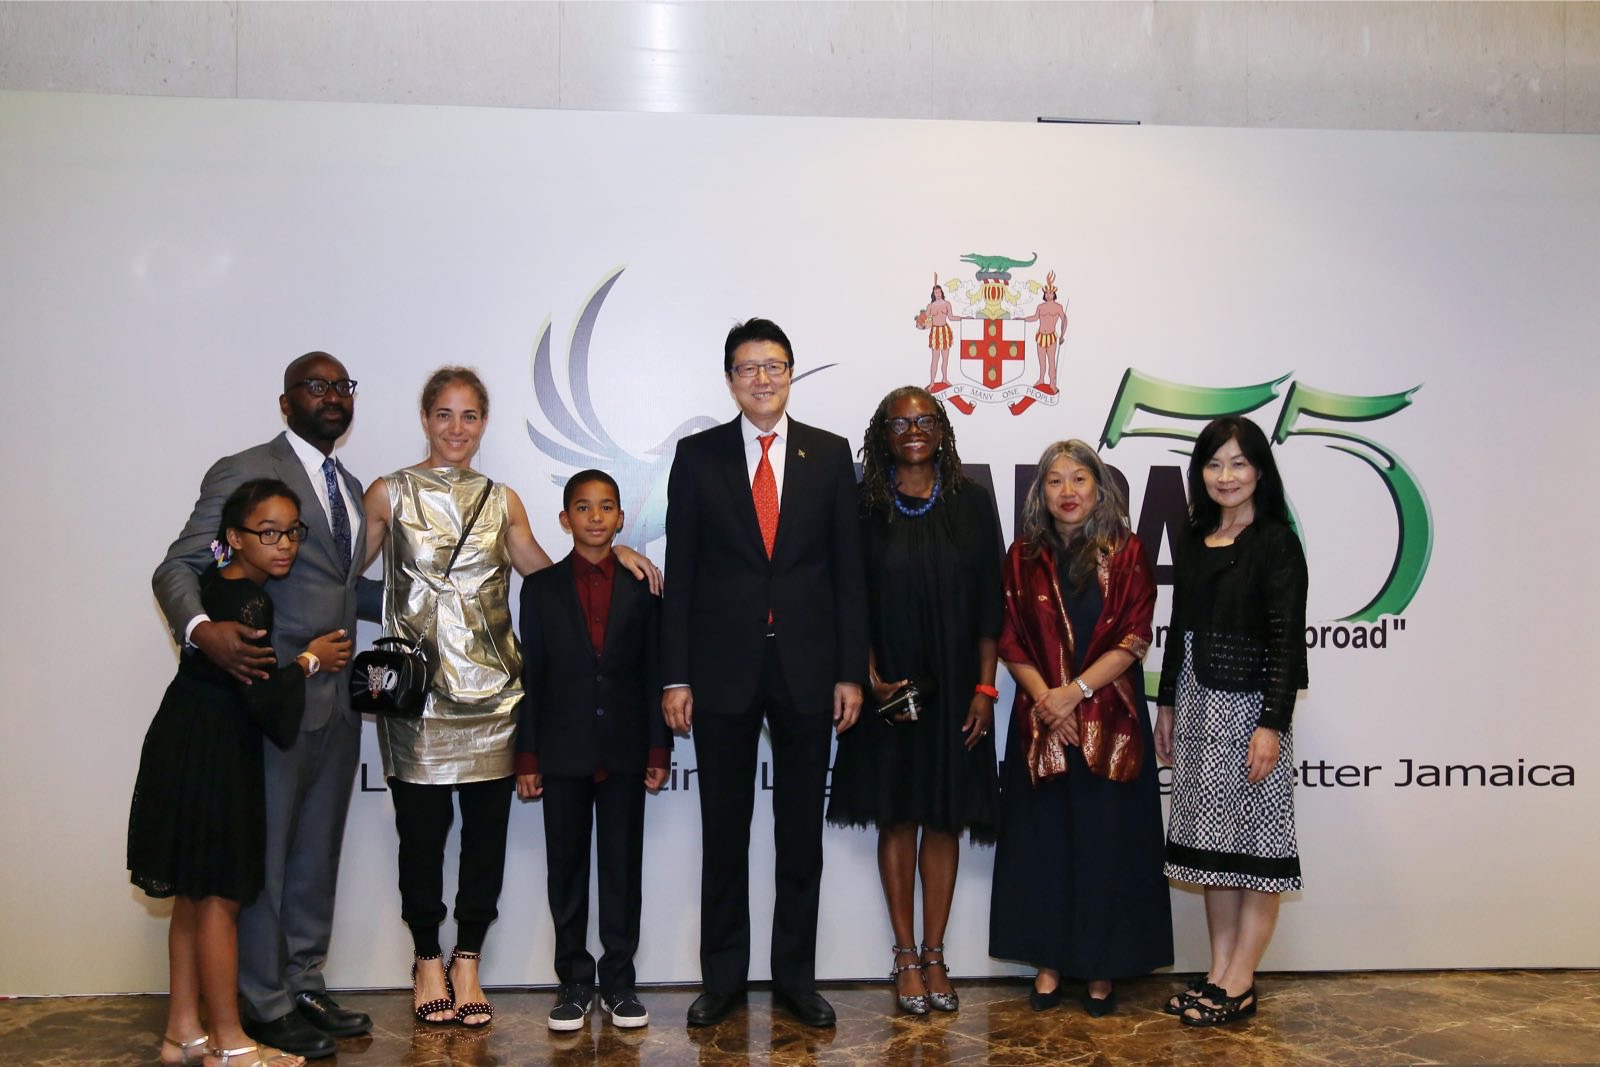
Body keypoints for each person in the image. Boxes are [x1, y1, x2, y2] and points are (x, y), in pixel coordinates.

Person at [359, 367, 661, 1029]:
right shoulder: (388, 492)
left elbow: (552, 578)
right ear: (424, 417)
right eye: (444, 414)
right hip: (417, 699)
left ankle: (468, 958)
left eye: (469, 416)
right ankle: (427, 956)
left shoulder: (503, 500)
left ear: (483, 423)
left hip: (494, 697)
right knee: (421, 837)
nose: (456, 429)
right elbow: (348, 576)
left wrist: (621, 557)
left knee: (485, 842)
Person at [153, 352, 374, 1060]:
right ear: (286, 403)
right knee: (266, 862)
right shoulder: (243, 469)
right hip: (269, 700)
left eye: (342, 386)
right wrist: (202, 632)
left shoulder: (354, 486)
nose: (331, 396)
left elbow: (344, 589)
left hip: (337, 700)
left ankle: (304, 981)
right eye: (316, 385)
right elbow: (178, 565)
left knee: (315, 856)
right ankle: (262, 999)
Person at [662, 318, 868, 1029]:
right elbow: (682, 574)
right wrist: (675, 675)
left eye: (773, 365)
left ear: (790, 373)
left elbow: (848, 574)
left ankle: (795, 979)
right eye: (747, 367)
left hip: (810, 671)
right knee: (725, 833)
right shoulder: (698, 456)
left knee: (799, 837)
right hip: (720, 672)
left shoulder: (830, 454)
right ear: (729, 378)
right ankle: (721, 979)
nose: (761, 378)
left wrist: (849, 671)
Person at [132, 480, 350, 1067]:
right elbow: (260, 696)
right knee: (222, 899)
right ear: (233, 538)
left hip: (183, 740)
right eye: (268, 533)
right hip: (216, 750)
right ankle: (229, 1041)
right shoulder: (249, 603)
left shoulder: (217, 587)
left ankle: (183, 1035)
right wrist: (310, 660)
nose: (284, 546)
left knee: (191, 896)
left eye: (292, 533)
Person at [825, 385, 1002, 1015]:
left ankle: (935, 952)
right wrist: (866, 673)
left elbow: (990, 606)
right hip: (887, 689)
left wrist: (985, 688)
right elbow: (847, 597)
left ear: (943, 429)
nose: (914, 430)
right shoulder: (861, 507)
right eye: (900, 423)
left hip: (957, 687)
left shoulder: (975, 505)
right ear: (882, 434)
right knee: (897, 815)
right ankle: (903, 955)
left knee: (944, 817)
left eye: (925, 420)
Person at [989, 440, 1172, 1016]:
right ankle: (1047, 964)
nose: (1067, 492)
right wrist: (1048, 700)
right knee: (1044, 846)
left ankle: (1100, 968)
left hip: (1110, 723)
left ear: (1100, 487)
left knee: (1105, 846)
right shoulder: (1020, 556)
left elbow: (1134, 638)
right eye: (1054, 481)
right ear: (1039, 492)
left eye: (1079, 479)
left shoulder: (1128, 552)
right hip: (1041, 723)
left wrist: (1076, 694)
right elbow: (1009, 637)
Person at [1154, 416, 1308, 1027]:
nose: (1225, 476)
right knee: (1210, 849)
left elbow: (1285, 640)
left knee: (1256, 848)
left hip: (1250, 710)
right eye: (1214, 464)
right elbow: (1180, 630)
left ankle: (1242, 980)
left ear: (1260, 472)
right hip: (1195, 703)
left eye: (1238, 464)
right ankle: (1219, 971)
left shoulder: (1276, 542)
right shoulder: (1193, 537)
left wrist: (1271, 723)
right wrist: (1166, 704)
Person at [516, 470, 670, 1032]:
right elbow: (531, 674)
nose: (596, 517)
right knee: (568, 871)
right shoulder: (539, 589)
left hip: (627, 750)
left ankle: (620, 982)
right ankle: (575, 982)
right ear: (565, 519)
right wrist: (527, 755)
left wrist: (658, 747)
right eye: (583, 507)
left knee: (622, 869)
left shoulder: (643, 584)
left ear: (622, 517)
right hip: (561, 751)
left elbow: (656, 668)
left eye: (607, 507)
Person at [916, 278, 965, 391]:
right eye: (935, 292)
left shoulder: (947, 304)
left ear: (942, 292)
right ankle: (932, 382)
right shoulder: (930, 306)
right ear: (933, 294)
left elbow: (951, 317)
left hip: (945, 331)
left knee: (945, 358)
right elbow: (927, 322)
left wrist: (963, 318)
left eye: (939, 292)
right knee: (935, 359)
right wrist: (920, 326)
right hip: (935, 332)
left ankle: (945, 378)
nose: (937, 294)